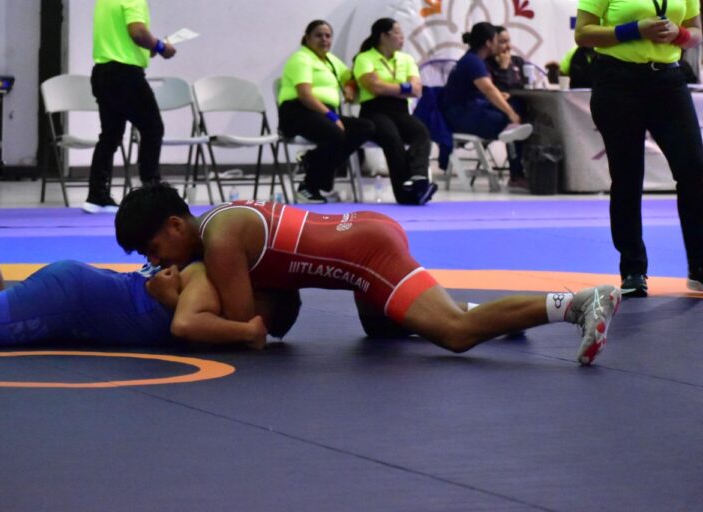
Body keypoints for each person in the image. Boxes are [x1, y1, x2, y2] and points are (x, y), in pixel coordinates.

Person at [115, 183, 622, 365]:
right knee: (384, 326)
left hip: (365, 255)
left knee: (454, 334)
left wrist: (171, 298)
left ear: (176, 224)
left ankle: (576, 304)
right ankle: (496, 316)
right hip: (360, 236)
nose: (155, 261)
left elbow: (250, 324)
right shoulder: (217, 221)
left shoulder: (220, 242)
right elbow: (280, 307)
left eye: (152, 248)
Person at [0, 190, 304, 350]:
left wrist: (170, 298)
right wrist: (246, 331)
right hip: (72, 298)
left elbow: (190, 321)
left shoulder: (195, 271)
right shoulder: (206, 277)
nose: (156, 261)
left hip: (77, 289)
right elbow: (188, 326)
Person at [575, 0, 703, 296]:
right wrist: (636, 30)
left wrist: (679, 35)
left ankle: (699, 266)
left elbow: (697, 32)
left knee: (694, 169)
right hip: (617, 81)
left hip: (669, 79)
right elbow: (582, 34)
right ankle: (633, 269)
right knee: (628, 176)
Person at [85, 0, 176, 214]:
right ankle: (151, 191)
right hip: (125, 75)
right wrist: (160, 46)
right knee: (153, 128)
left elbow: (125, 38)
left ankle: (97, 195)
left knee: (110, 135)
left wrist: (149, 48)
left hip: (102, 72)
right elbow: (137, 32)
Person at [278, 20, 375, 204]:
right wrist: (331, 117)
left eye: (328, 35)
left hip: (321, 114)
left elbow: (350, 77)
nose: (324, 40)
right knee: (335, 133)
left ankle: (311, 159)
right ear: (307, 39)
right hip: (297, 111)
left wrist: (350, 87)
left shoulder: (331, 60)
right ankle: (308, 187)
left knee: (365, 127)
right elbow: (305, 94)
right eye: (318, 35)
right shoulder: (301, 58)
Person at [352, 18, 437, 205]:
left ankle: (417, 178)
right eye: (397, 32)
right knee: (392, 138)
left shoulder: (406, 59)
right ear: (384, 36)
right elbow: (374, 88)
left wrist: (389, 86)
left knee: (421, 133)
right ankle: (404, 193)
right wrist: (403, 87)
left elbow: (417, 90)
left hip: (400, 110)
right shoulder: (364, 58)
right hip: (374, 110)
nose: (402, 37)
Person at [440, 22, 533, 192]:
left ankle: (512, 136)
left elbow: (485, 92)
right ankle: (515, 168)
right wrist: (512, 114)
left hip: (472, 109)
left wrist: (504, 102)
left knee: (516, 107)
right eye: (498, 40)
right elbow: (489, 90)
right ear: (489, 43)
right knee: (512, 118)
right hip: (460, 117)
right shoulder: (473, 62)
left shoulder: (477, 60)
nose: (502, 45)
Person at [484, 26, 527, 92]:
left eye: (509, 41)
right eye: (503, 42)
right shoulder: (485, 64)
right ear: (491, 43)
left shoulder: (518, 61)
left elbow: (528, 88)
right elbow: (498, 93)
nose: (509, 47)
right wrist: (503, 68)